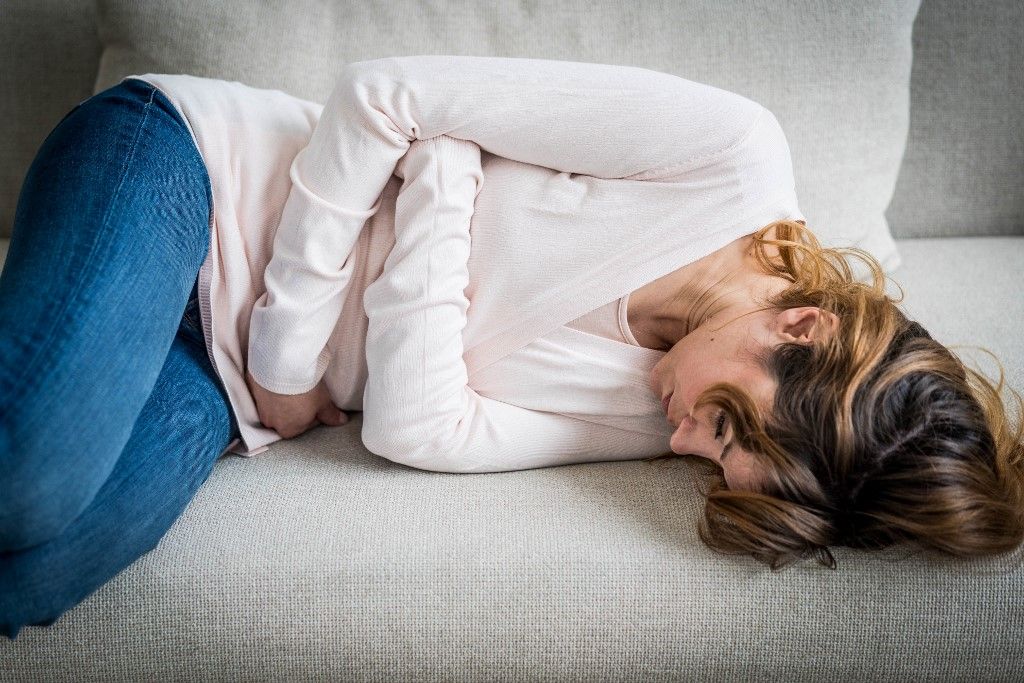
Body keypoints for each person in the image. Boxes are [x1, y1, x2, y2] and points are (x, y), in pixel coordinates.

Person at [1, 58, 1022, 641]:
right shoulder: (729, 157)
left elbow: (418, 429)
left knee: (32, 576)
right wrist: (285, 355)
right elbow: (385, 95)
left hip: (218, 380)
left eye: (715, 460)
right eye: (726, 423)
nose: (681, 441)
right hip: (194, 170)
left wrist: (444, 178)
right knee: (26, 481)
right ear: (804, 325)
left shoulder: (662, 410)